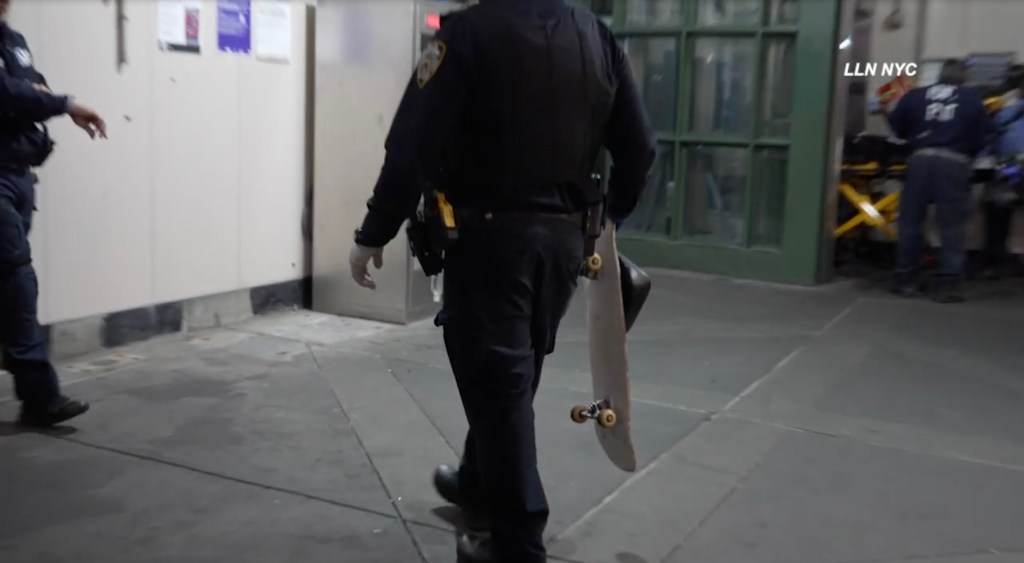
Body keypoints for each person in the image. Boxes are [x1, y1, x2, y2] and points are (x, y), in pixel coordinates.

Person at [347, 1, 656, 561]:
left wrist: (374, 230)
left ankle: (518, 541)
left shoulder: (464, 34)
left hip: (490, 243)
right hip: (565, 244)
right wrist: (609, 217)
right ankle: (475, 483)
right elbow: (639, 148)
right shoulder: (597, 37)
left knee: (503, 385)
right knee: (512, 374)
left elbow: (412, 146)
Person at [1, 0, 107, 428]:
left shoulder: (14, 40)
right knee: (17, 280)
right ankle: (40, 398)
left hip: (18, 174)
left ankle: (32, 389)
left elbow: (30, 86)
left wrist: (42, 97)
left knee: (11, 286)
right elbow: (9, 93)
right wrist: (65, 104)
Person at [886, 59, 995, 303]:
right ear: (964, 77)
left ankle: (906, 280)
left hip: (919, 161)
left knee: (910, 223)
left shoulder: (915, 95)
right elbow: (984, 137)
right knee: (951, 226)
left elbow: (896, 128)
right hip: (954, 163)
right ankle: (948, 286)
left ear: (940, 74)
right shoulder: (972, 99)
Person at [979, 68, 1024, 279]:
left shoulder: (1001, 106)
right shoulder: (1003, 106)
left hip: (1006, 167)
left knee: (998, 216)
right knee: (999, 215)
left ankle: (993, 263)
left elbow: (989, 136)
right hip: (1010, 168)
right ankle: (997, 260)